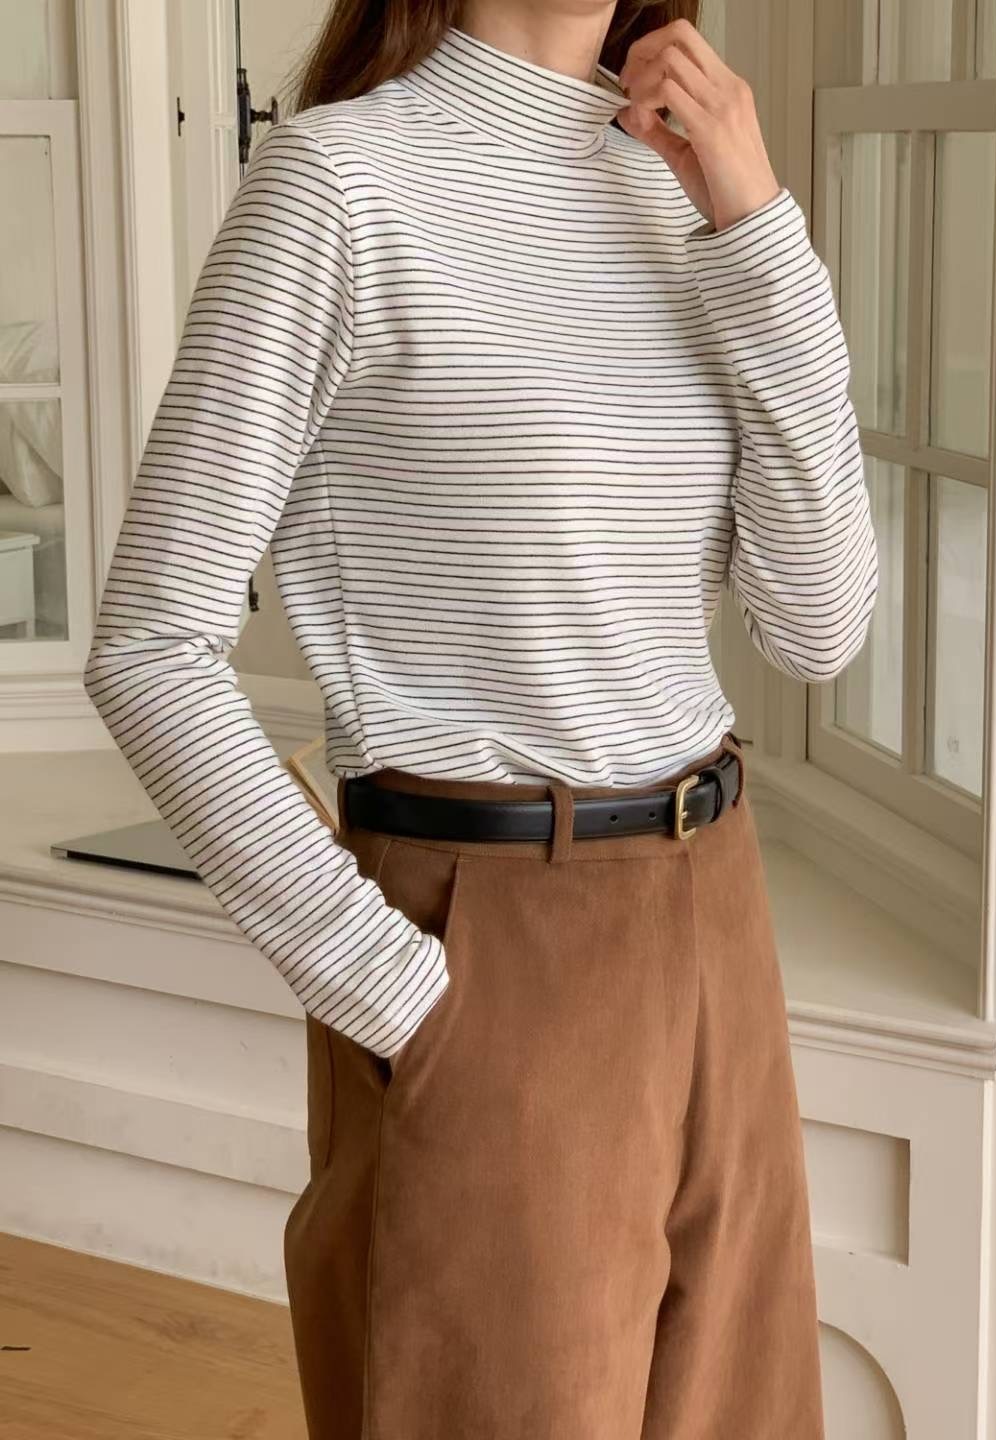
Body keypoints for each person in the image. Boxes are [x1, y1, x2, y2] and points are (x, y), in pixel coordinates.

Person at [82, 0, 878, 1435]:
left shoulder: (693, 195)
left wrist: (760, 231)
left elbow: (817, 630)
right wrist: (404, 996)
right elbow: (151, 644)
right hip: (491, 937)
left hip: (714, 909)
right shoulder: (339, 183)